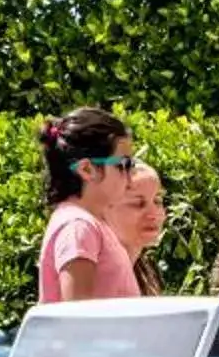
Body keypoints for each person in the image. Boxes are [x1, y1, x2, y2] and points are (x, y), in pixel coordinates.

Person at [37, 107, 145, 304]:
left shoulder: (91, 224)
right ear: (87, 169)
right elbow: (80, 316)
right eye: (123, 165)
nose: (131, 177)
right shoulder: (78, 227)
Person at [102, 162, 168, 295]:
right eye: (138, 203)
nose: (153, 213)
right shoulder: (99, 276)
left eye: (157, 201)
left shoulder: (141, 272)